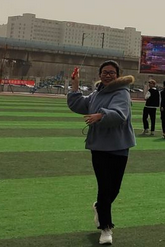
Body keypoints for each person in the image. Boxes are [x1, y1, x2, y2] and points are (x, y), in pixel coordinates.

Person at [67, 60, 135, 245]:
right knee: (104, 187)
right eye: (105, 72)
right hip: (98, 146)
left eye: (112, 72)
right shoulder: (96, 94)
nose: (108, 75)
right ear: (99, 75)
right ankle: (106, 227)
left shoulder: (122, 92)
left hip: (119, 146)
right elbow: (79, 104)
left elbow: (120, 115)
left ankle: (99, 207)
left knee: (114, 189)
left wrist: (101, 115)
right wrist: (75, 84)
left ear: (118, 75)